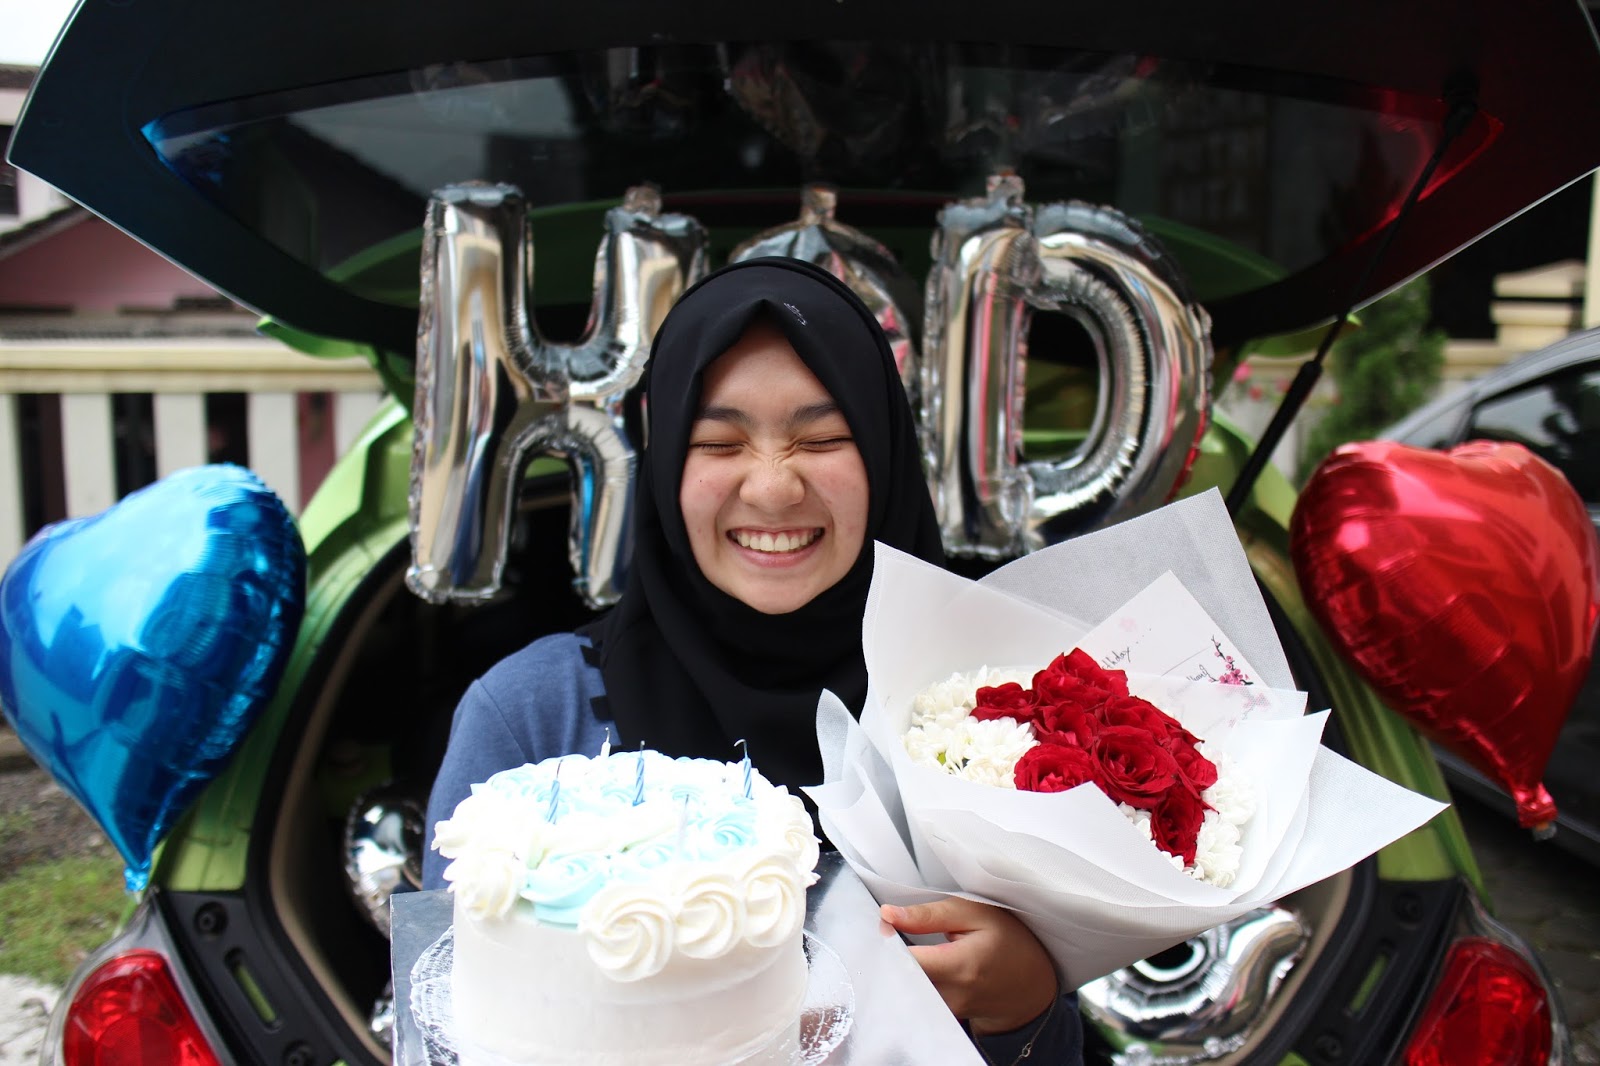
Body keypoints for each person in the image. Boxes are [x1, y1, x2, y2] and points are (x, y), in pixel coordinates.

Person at [423, 255, 1084, 1064]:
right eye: (720, 441)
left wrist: (1027, 1007)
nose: (773, 489)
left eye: (823, 437)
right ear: (666, 463)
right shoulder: (534, 716)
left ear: (884, 454)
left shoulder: (991, 724)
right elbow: (457, 1029)